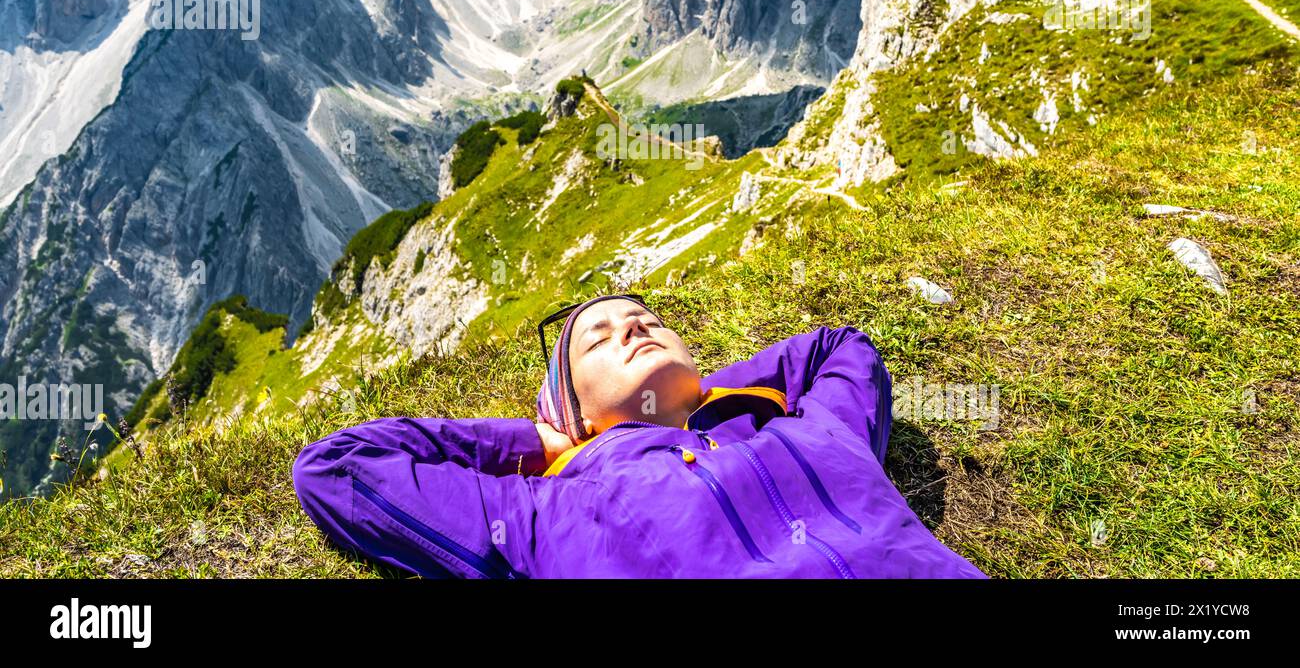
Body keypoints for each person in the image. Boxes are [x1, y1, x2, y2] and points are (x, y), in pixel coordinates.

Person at [292, 293, 987, 578]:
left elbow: (839, 348)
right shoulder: (548, 512)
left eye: (647, 319)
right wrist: (541, 442)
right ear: (576, 412)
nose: (633, 326)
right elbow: (337, 466)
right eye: (598, 339)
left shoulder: (814, 429)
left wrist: (705, 400)